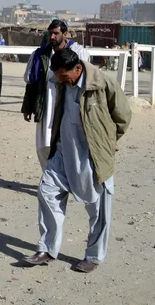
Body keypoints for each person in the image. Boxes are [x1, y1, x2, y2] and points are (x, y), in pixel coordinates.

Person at [23, 48, 132, 273]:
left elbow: (122, 115)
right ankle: (47, 248)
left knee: (99, 210)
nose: (62, 81)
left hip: (92, 156)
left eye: (65, 76)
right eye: (59, 77)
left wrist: (108, 142)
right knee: (47, 192)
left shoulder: (102, 83)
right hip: (63, 151)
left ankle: (93, 256)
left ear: (78, 69)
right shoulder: (62, 81)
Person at [22, 19, 90, 170]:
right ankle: (50, 177)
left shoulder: (78, 53)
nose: (52, 37)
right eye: (50, 33)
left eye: (56, 33)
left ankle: (65, 179)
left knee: (68, 145)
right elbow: (31, 82)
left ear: (65, 34)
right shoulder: (39, 55)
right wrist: (27, 107)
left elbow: (86, 82)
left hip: (69, 106)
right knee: (43, 146)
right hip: (46, 106)